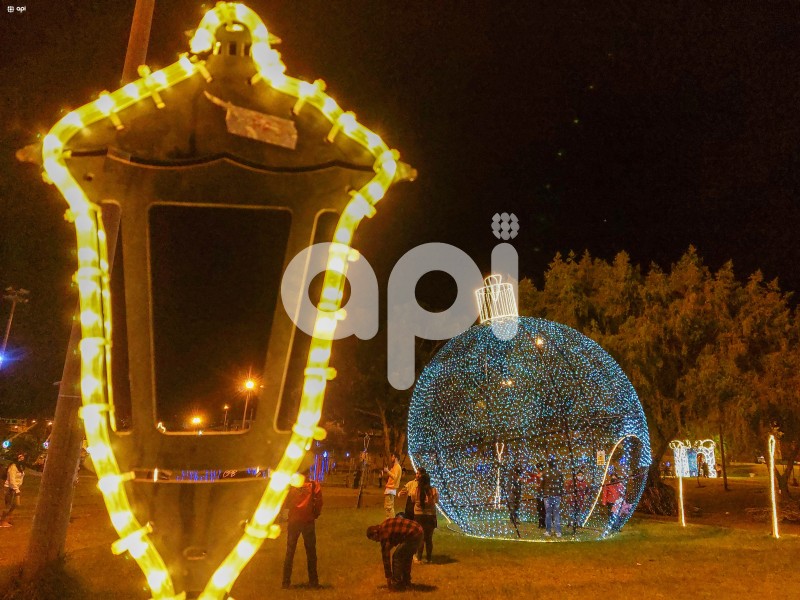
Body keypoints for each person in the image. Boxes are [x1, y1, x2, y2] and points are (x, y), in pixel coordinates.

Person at [281, 469, 323, 589]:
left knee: (290, 552)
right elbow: (319, 502)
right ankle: (313, 582)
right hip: (308, 521)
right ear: (308, 473)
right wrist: (315, 514)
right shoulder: (314, 485)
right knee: (311, 552)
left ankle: (286, 582)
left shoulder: (291, 486)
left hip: (293, 521)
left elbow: (285, 502)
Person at [366, 516, 423, 591]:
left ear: (375, 533)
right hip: (418, 530)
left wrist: (388, 577)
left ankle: (397, 585)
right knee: (406, 558)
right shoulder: (384, 526)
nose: (377, 541)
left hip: (413, 534)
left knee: (397, 557)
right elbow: (395, 536)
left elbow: (386, 557)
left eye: (374, 539)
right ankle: (406, 582)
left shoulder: (383, 533)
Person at [412, 472, 439, 563]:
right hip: (430, 516)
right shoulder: (434, 491)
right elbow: (436, 501)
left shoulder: (416, 490)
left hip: (419, 516)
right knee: (429, 538)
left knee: (421, 538)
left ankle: (419, 557)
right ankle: (429, 558)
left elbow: (412, 499)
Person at [1, 453, 26, 527]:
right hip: (10, 488)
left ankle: (7, 519)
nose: (22, 459)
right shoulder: (13, 467)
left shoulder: (20, 467)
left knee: (15, 505)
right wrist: (16, 489)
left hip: (15, 488)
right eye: (20, 457)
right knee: (8, 505)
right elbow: (11, 480)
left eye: (23, 457)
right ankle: (2, 522)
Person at [540, 458, 563, 538]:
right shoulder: (559, 473)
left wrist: (542, 492)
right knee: (556, 514)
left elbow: (541, 484)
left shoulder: (545, 473)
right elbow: (561, 484)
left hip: (547, 495)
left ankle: (548, 531)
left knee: (548, 514)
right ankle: (558, 532)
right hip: (556, 495)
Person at [382, 453, 402, 519]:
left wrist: (388, 471)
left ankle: (391, 521)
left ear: (396, 458)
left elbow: (394, 477)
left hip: (391, 489)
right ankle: (389, 521)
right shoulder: (395, 467)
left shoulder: (397, 467)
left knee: (389, 507)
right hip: (390, 489)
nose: (391, 458)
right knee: (388, 507)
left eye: (393, 457)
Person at [528, 463, 546, 529]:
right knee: (540, 508)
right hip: (539, 493)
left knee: (542, 509)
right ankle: (541, 523)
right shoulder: (538, 475)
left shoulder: (543, 475)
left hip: (543, 494)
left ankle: (543, 523)